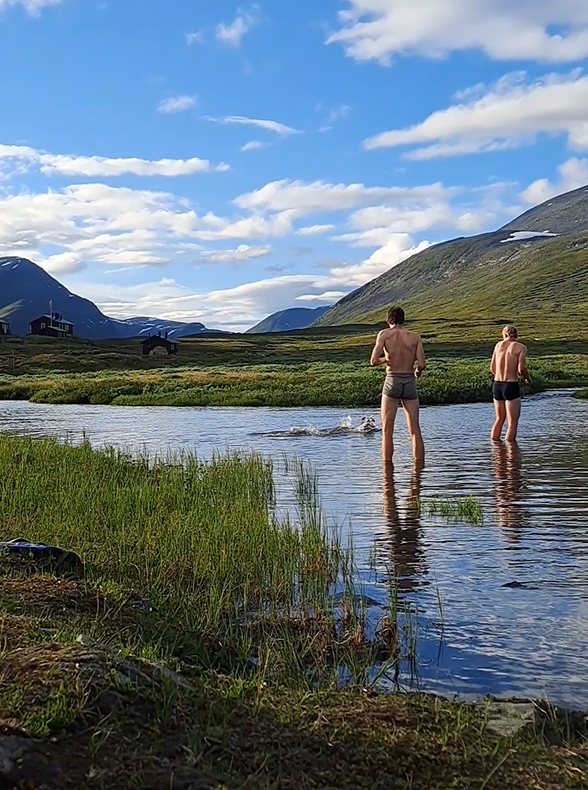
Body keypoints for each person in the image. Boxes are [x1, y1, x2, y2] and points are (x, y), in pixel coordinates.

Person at [370, 306, 426, 463]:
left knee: (387, 431)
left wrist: (385, 360)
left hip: (392, 380)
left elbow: (373, 361)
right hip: (409, 381)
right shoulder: (414, 337)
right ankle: (419, 470)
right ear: (403, 319)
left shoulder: (384, 334)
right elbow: (422, 363)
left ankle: (387, 472)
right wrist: (418, 372)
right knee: (415, 429)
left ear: (389, 320)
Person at [490, 325, 531, 442]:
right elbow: (521, 369)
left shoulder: (498, 345)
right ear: (516, 335)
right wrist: (527, 379)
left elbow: (492, 368)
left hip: (497, 385)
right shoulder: (521, 347)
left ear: (505, 335)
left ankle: (495, 449)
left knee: (499, 418)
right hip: (511, 385)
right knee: (512, 422)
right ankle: (511, 452)